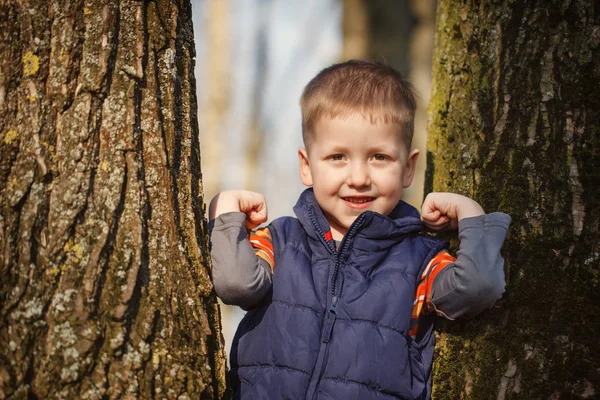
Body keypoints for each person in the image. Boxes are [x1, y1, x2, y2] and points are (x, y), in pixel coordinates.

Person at [208, 60, 510, 400]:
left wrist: (471, 214)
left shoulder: (418, 259)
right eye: (338, 157)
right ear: (307, 166)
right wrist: (226, 212)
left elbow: (477, 288)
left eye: (379, 157)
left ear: (408, 169)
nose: (358, 178)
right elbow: (236, 285)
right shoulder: (280, 241)